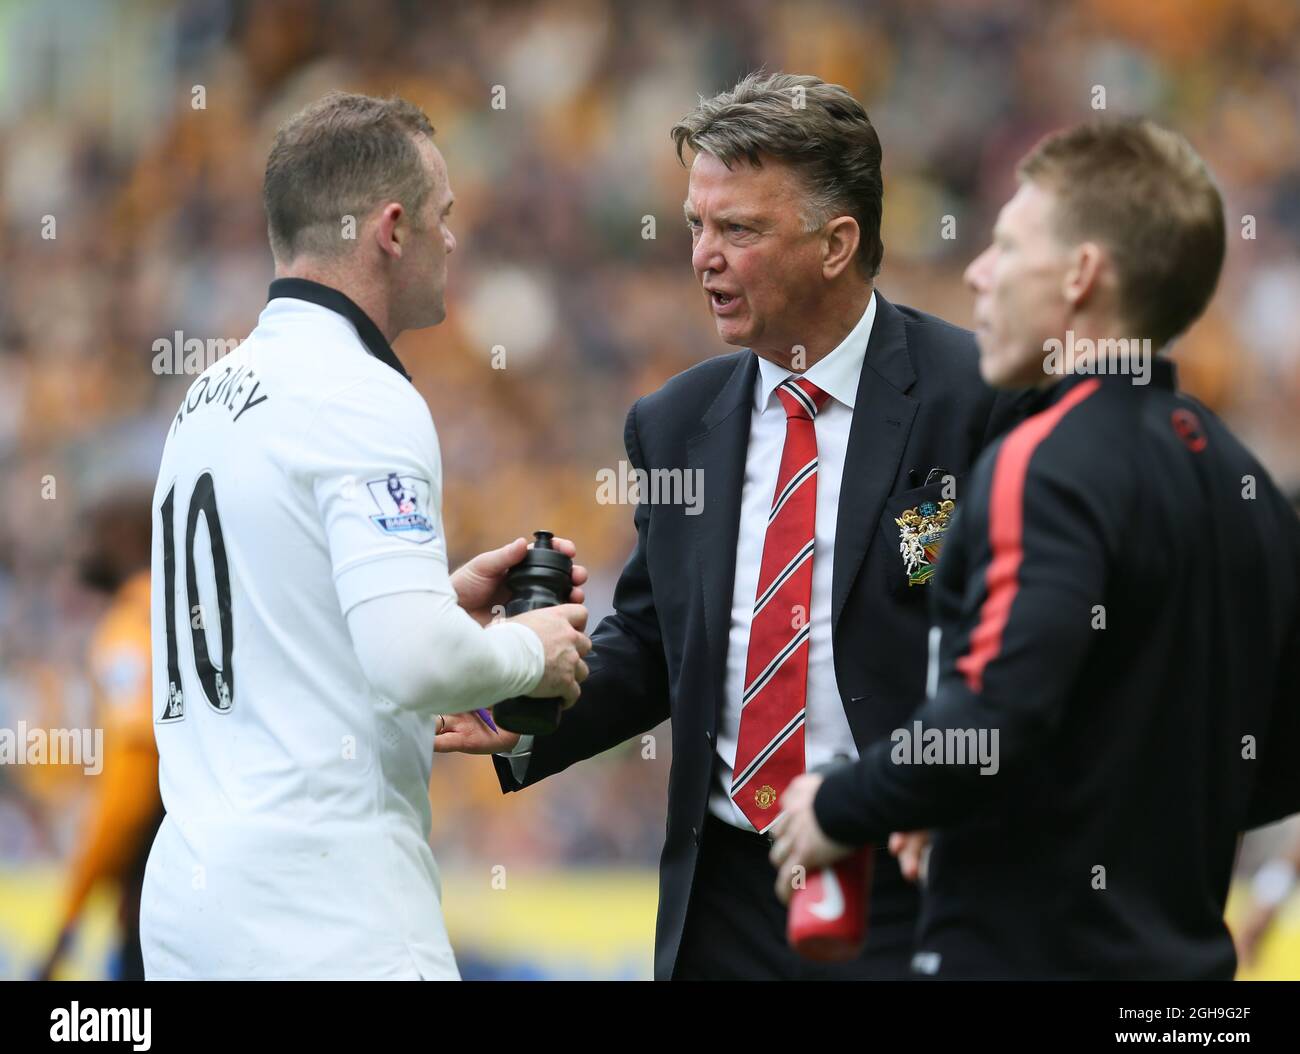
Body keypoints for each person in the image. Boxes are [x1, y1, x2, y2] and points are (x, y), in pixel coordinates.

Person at [434, 71, 1022, 980]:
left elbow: (1017, 646)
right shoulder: (675, 422)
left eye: (738, 229)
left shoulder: (978, 398)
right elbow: (658, 646)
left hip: (911, 879)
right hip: (729, 898)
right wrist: (510, 699)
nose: (703, 255)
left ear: (837, 243)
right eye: (696, 225)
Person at [770, 117, 1300, 980]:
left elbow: (993, 717)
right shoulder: (1246, 485)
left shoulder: (1041, 461)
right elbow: (1275, 763)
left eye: (1008, 246)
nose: (978, 272)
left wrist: (842, 802)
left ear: (1082, 274)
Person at [141, 91, 591, 980]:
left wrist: (435, 598)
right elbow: (413, 663)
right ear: (392, 228)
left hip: (191, 910)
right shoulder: (363, 393)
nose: (453, 241)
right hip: (326, 914)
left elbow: (288, 631)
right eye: (444, 216)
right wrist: (527, 651)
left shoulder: (205, 397)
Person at [38, 490, 162, 981]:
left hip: (152, 904)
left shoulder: (129, 629)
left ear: (123, 538)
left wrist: (68, 919)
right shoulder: (190, 610)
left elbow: (130, 786)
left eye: (90, 535)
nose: (77, 552)